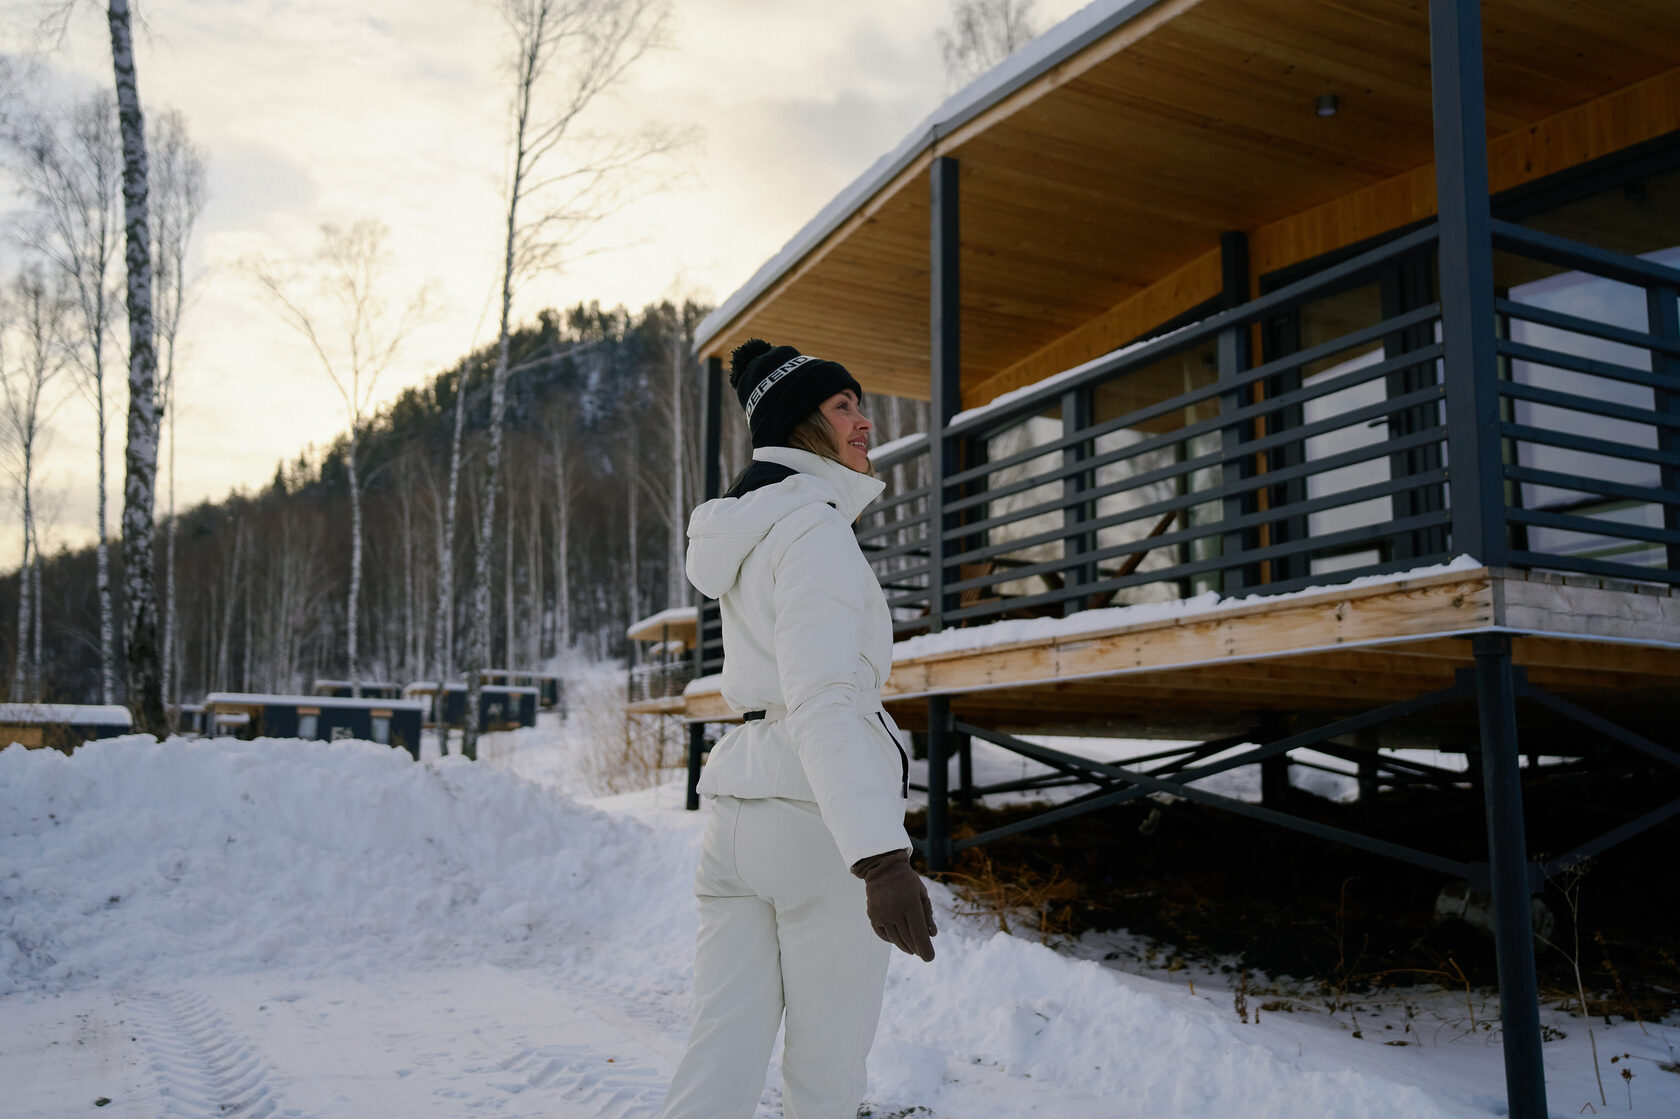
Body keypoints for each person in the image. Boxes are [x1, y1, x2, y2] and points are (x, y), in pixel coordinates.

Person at [655, 339, 938, 1119]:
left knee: (720, 1053)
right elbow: (819, 697)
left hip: (740, 813)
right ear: (801, 426)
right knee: (825, 1073)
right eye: (844, 407)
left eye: (860, 404)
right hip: (816, 825)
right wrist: (881, 857)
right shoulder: (813, 529)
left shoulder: (752, 530)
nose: (866, 422)